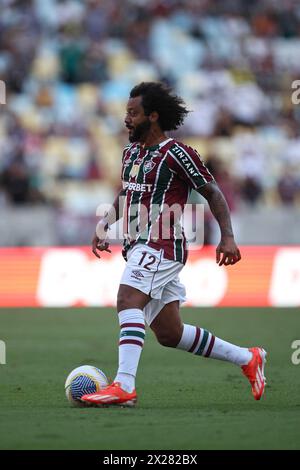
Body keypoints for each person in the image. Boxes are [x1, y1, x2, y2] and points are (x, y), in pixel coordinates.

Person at [81, 82, 267, 407]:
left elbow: (213, 192)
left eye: (132, 113)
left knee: (128, 300)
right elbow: (128, 193)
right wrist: (105, 223)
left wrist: (228, 236)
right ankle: (248, 358)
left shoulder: (177, 152)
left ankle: (124, 386)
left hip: (161, 245)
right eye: (126, 112)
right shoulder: (130, 153)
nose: (126, 119)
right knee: (170, 334)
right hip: (137, 246)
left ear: (153, 116)